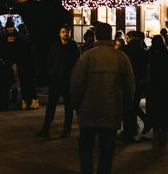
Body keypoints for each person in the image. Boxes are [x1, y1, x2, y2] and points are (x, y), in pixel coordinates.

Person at [70, 22, 134, 174]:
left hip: (88, 110)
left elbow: (76, 84)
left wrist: (77, 106)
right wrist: (125, 105)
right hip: (111, 111)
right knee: (107, 150)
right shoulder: (121, 57)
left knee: (85, 147)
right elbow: (129, 86)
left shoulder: (87, 57)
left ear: (96, 36)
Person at [37, 24, 81, 139]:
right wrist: (51, 73)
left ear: (70, 33)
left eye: (67, 32)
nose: (65, 34)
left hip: (68, 81)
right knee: (51, 106)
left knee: (68, 107)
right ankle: (45, 128)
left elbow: (78, 64)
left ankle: (66, 130)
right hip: (55, 80)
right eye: (63, 32)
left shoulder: (74, 48)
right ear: (59, 33)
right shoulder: (54, 47)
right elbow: (49, 61)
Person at [146, 34, 168, 147]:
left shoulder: (150, 54)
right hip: (165, 87)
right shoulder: (167, 55)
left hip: (153, 87)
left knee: (154, 110)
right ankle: (163, 135)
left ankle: (155, 134)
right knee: (165, 110)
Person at [120, 30, 148, 142]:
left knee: (127, 107)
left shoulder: (123, 50)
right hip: (139, 82)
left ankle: (129, 131)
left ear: (130, 38)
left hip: (125, 81)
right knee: (134, 104)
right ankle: (133, 129)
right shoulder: (144, 51)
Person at [0, 24, 18, 111]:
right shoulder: (9, 47)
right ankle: (5, 104)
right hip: (7, 69)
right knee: (6, 88)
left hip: (0, 69)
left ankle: (1, 104)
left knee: (0, 88)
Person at [16, 23, 39, 110]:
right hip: (30, 65)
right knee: (31, 84)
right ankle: (34, 101)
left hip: (22, 65)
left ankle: (24, 102)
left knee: (24, 84)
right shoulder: (30, 40)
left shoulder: (18, 40)